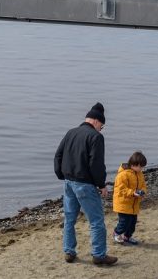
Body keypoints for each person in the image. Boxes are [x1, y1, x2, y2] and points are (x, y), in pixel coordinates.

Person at [55, 102, 116, 266]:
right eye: (101, 126)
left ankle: (69, 252)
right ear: (96, 121)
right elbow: (96, 164)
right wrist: (101, 185)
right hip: (85, 184)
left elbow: (58, 156)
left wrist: (61, 174)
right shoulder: (95, 137)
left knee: (69, 219)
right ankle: (99, 255)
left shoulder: (71, 132)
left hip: (69, 183)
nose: (101, 129)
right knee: (96, 221)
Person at [112, 151, 147, 246]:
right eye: (139, 166)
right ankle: (116, 233)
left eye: (142, 167)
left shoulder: (140, 174)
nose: (141, 169)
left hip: (134, 204)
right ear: (132, 164)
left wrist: (142, 192)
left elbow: (143, 185)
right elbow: (121, 189)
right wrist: (133, 193)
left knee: (132, 223)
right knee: (124, 222)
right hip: (123, 203)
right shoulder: (123, 174)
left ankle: (127, 236)